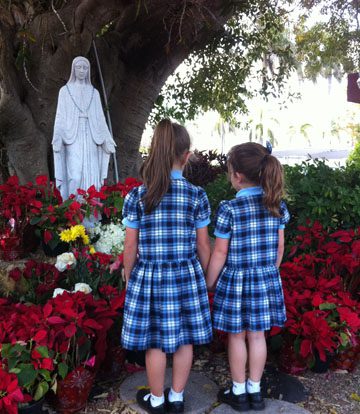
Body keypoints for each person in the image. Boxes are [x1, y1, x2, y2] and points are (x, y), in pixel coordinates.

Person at [121, 119, 213, 414]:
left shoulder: (137, 196)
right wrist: (206, 276)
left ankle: (157, 399)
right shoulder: (196, 196)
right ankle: (177, 397)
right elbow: (203, 245)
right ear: (186, 155)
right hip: (185, 274)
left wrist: (128, 275)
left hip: (149, 275)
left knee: (155, 341)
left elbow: (130, 247)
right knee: (185, 338)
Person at [206, 142, 290, 412]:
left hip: (236, 281)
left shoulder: (229, 209)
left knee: (236, 336)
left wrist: (210, 281)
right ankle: (255, 390)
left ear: (237, 176)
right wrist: (269, 271)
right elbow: (279, 247)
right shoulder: (275, 205)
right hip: (264, 279)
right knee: (257, 337)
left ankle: (239, 391)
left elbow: (219, 252)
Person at [52, 56, 116, 201]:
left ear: (88, 71)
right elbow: (60, 116)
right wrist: (57, 137)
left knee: (92, 175)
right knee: (74, 175)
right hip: (72, 137)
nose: (82, 71)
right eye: (79, 67)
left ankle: (91, 216)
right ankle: (73, 212)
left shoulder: (94, 92)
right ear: (73, 69)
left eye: (85, 68)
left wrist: (107, 138)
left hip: (91, 136)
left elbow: (100, 119)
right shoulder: (65, 91)